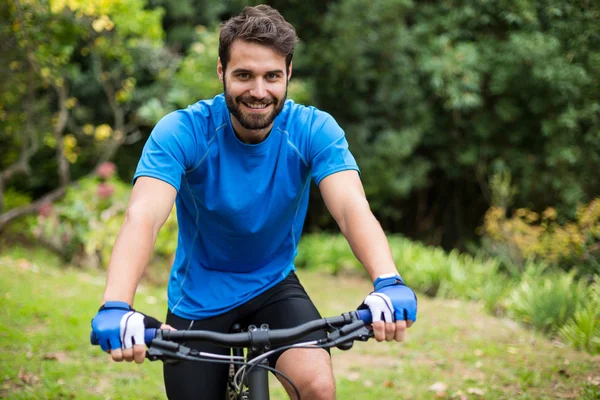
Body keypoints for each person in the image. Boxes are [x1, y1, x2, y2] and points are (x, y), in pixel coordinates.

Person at [91, 4, 417, 400]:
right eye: (244, 75)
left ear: (288, 75)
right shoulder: (182, 131)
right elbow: (142, 216)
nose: (259, 91)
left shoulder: (313, 130)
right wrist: (116, 304)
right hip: (199, 296)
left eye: (272, 76)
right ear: (221, 72)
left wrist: (388, 280)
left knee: (317, 387)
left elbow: (351, 208)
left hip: (273, 285)